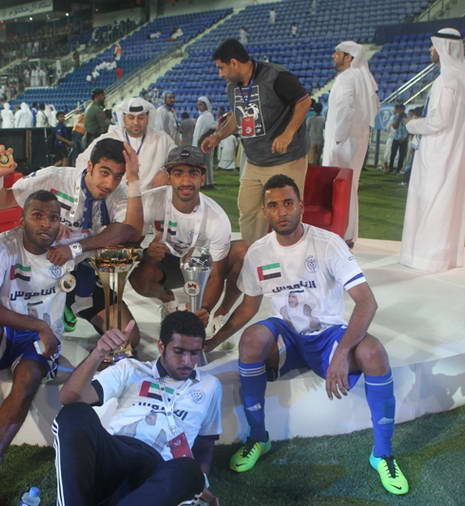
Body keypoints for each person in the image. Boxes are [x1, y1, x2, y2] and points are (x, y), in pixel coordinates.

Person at [205, 174, 409, 496]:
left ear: (300, 206)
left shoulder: (328, 243)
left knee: (374, 353)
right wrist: (211, 344)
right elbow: (247, 308)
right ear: (265, 211)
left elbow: (367, 302)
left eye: (288, 203)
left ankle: (382, 454)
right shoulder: (259, 252)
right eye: (274, 205)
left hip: (328, 334)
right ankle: (258, 438)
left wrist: (342, 353)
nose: (282, 211)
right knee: (252, 340)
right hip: (286, 334)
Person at [0, 191, 79, 505]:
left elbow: (125, 233)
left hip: (38, 341)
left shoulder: (68, 244)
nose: (46, 224)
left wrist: (77, 247)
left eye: (53, 218)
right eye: (37, 215)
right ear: (22, 219)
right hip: (12, 329)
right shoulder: (6, 244)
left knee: (30, 375)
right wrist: (38, 325)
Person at [0, 140, 144, 349]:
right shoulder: (54, 177)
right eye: (104, 173)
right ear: (90, 166)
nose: (109, 183)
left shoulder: (118, 193)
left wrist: (133, 179)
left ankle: (71, 304)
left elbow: (132, 229)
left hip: (82, 273)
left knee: (128, 339)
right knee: (26, 344)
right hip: (38, 274)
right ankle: (57, 310)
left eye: (118, 176)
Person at [54, 311, 222, 506]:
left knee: (189, 470)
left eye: (194, 353)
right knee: (74, 414)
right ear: (161, 346)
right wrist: (98, 353)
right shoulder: (131, 368)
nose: (187, 361)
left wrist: (201, 483)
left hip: (160, 470)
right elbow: (69, 398)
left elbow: (205, 443)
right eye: (179, 351)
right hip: (117, 452)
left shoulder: (210, 386)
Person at [203, 39, 311, 244]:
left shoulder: (276, 76)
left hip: (285, 160)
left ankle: (291, 258)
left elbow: (304, 102)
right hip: (254, 161)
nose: (220, 74)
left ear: (234, 63)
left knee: (286, 214)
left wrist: (288, 133)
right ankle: (254, 255)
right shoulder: (232, 87)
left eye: (221, 68)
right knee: (248, 211)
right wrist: (218, 136)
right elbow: (238, 116)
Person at [131, 145, 246, 331]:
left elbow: (216, 275)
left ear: (202, 178)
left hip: (203, 264)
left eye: (193, 173)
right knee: (139, 279)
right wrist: (148, 256)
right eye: (178, 173)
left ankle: (221, 314)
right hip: (169, 260)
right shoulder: (151, 201)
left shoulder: (216, 217)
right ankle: (168, 300)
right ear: (169, 177)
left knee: (243, 251)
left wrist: (204, 310)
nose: (186, 181)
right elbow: (131, 243)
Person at [401, 28, 465, 272]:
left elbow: (439, 121)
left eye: (433, 46)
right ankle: (444, 257)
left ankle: (427, 258)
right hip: (452, 151)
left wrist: (412, 125)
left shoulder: (447, 80)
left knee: (432, 202)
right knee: (447, 203)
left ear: (444, 48)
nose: (430, 50)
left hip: (439, 152)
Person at [322, 41, 379, 246]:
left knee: (338, 187)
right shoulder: (363, 79)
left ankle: (338, 233)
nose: (333, 56)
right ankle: (347, 234)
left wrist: (338, 138)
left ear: (349, 58)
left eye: (337, 53)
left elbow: (345, 109)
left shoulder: (348, 78)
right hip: (355, 140)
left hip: (343, 141)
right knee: (350, 187)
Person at [77, 97, 175, 190]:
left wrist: (167, 172)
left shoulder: (162, 139)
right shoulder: (109, 138)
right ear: (123, 117)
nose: (136, 122)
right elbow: (82, 161)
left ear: (148, 117)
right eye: (131, 117)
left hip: (152, 198)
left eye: (141, 117)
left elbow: (179, 160)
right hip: (115, 198)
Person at [388, 104, 408, 174]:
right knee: (393, 154)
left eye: (402, 110)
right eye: (399, 110)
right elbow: (394, 127)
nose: (400, 111)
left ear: (404, 110)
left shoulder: (407, 117)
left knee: (402, 155)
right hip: (396, 138)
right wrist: (398, 118)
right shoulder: (396, 117)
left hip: (404, 139)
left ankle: (398, 169)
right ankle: (390, 168)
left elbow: (409, 129)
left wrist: (405, 138)